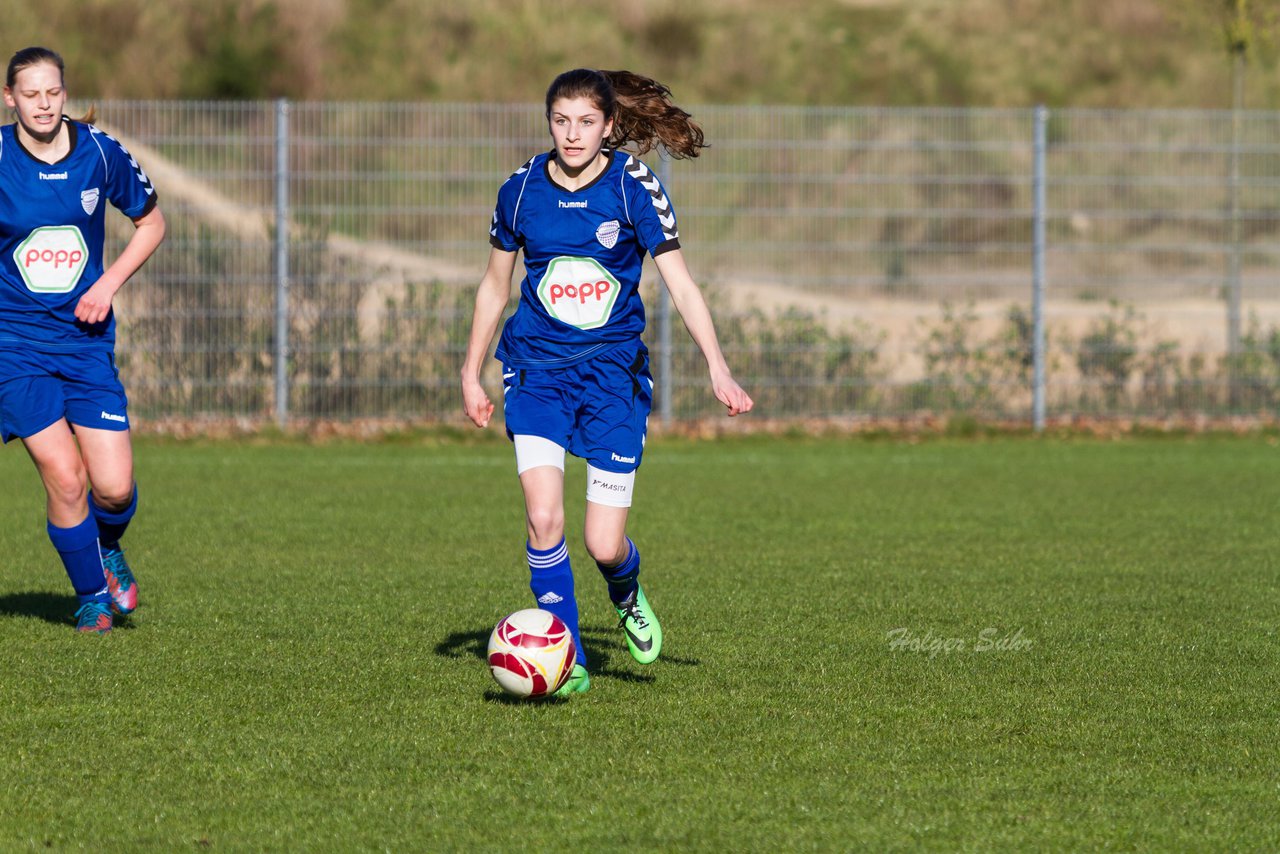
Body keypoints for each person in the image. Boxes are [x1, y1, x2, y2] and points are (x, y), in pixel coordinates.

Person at [460, 68, 753, 695]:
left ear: (609, 126)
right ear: (549, 123)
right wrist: (471, 370)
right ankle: (568, 666)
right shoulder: (518, 192)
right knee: (544, 520)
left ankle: (626, 593)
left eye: (586, 122)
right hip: (535, 369)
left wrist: (717, 365)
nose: (572, 134)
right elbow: (494, 285)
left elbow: (680, 283)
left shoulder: (632, 188)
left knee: (602, 542)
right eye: (561, 121)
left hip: (611, 377)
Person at [1, 47, 165, 633]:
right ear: (10, 98)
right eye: (30, 94)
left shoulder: (98, 150)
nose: (42, 104)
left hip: (84, 342)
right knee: (65, 478)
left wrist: (108, 283)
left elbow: (152, 222)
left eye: (52, 92)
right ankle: (92, 596)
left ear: (64, 93)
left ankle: (108, 544)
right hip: (14, 346)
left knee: (114, 490)